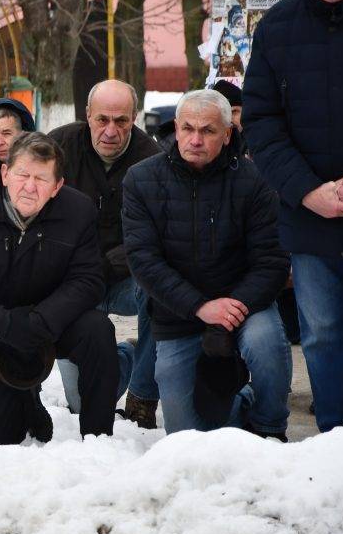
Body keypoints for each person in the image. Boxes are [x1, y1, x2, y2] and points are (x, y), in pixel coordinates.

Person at [242, 0, 343, 433]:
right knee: (323, 334)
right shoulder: (277, 27)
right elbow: (260, 120)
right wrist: (306, 192)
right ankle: (339, 440)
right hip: (313, 210)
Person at [123, 90, 292, 438]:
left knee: (266, 345)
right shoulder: (141, 180)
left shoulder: (255, 180)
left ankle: (268, 426)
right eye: (187, 128)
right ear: (176, 128)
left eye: (208, 131)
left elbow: (272, 261)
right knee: (186, 436)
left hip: (244, 305)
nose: (195, 139)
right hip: (179, 313)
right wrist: (200, 307)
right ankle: (242, 403)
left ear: (228, 134)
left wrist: (231, 310)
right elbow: (144, 261)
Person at [0, 133, 119, 444]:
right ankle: (26, 400)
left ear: (57, 186)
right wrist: (2, 324)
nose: (30, 187)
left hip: (49, 319)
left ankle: (98, 438)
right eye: (22, 174)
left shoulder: (79, 211)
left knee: (98, 330)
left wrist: (40, 321)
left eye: (41, 178)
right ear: (5, 174)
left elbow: (88, 280)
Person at [47, 80, 162, 428]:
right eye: (102, 120)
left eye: (121, 121)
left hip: (130, 279)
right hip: (76, 282)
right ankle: (124, 356)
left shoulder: (154, 161)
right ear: (87, 116)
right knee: (83, 403)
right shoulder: (58, 148)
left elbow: (156, 237)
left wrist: (107, 264)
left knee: (162, 292)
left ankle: (142, 393)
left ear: (134, 118)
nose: (111, 131)